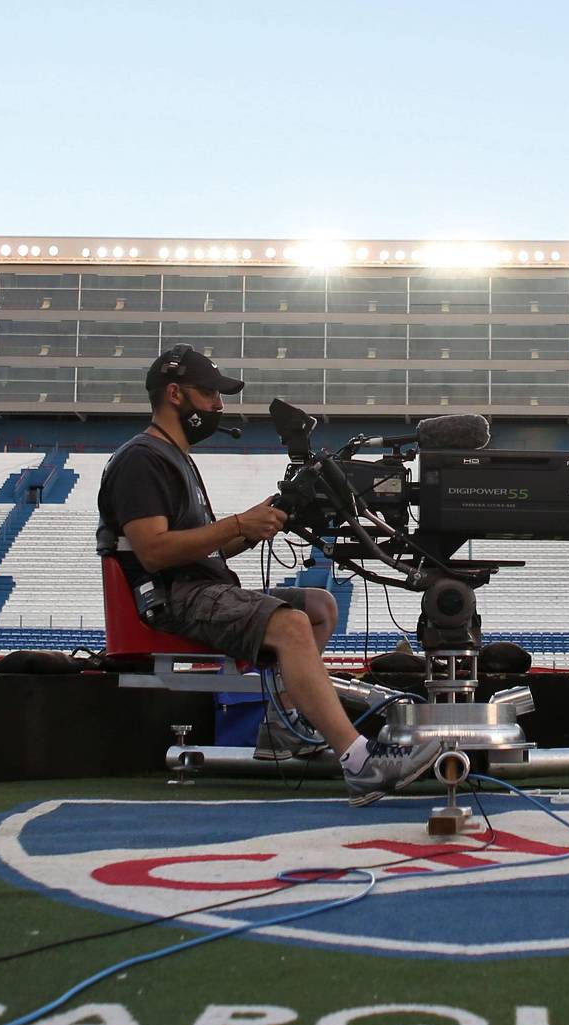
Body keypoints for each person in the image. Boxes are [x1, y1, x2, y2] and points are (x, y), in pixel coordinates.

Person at [95, 345, 440, 806]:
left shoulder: (173, 458)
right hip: (169, 597)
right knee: (291, 624)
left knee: (318, 607)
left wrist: (269, 518)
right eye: (210, 394)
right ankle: (361, 764)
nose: (219, 405)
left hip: (197, 585)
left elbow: (208, 545)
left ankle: (282, 731)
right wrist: (239, 524)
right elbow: (154, 551)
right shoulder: (143, 459)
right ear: (174, 394)